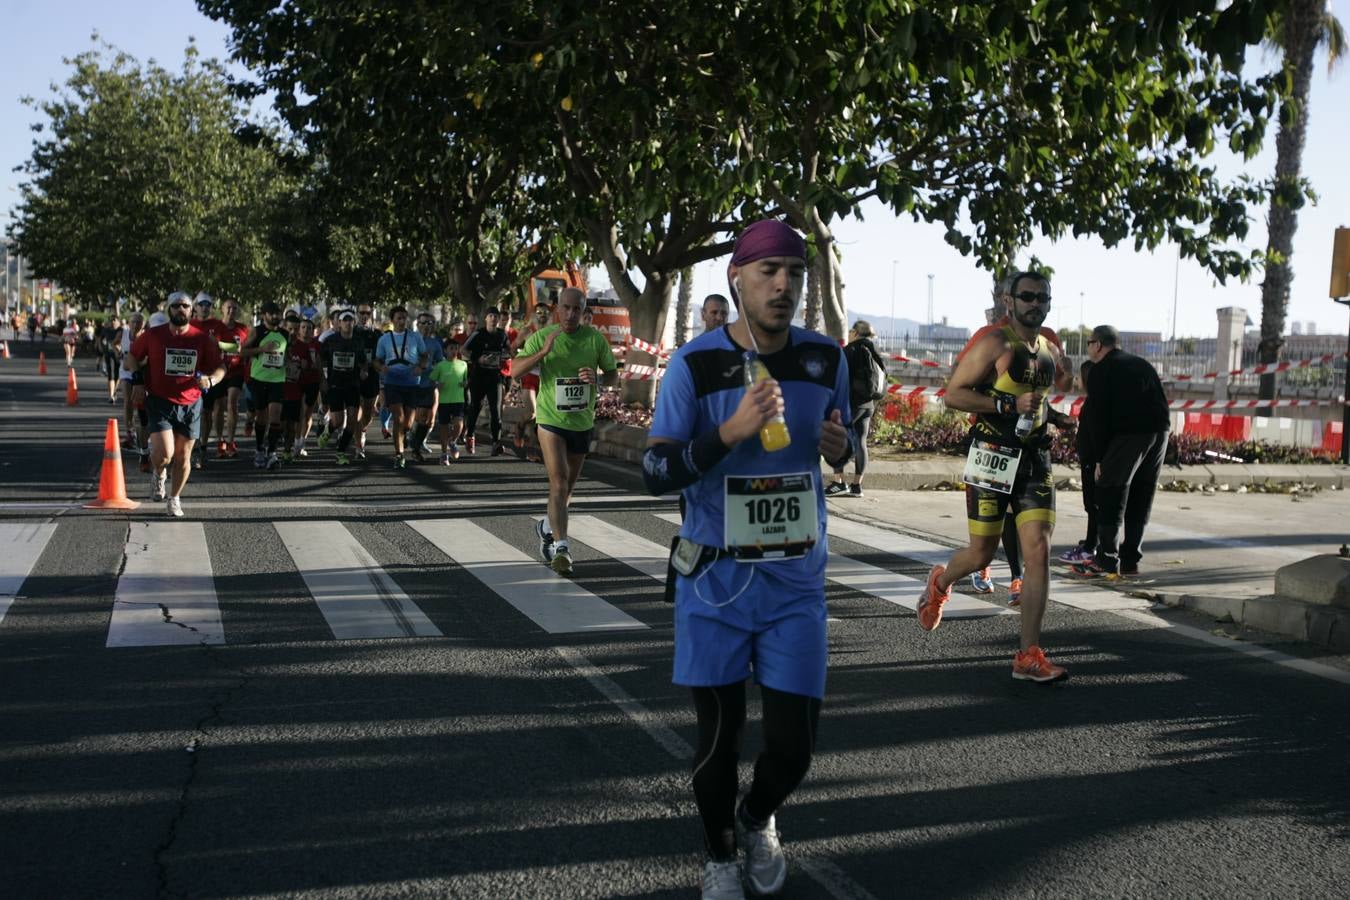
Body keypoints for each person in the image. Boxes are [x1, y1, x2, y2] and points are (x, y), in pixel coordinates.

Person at [641, 220, 851, 899]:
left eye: (795, 271)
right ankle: (721, 857)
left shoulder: (825, 359)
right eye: (770, 272)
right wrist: (727, 434)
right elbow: (654, 468)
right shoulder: (695, 364)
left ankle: (758, 818)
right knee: (719, 741)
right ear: (738, 279)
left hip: (795, 582)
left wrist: (842, 448)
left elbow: (852, 453)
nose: (784, 284)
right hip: (715, 582)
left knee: (794, 748)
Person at [915, 271, 1070, 683]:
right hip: (991, 456)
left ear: (1049, 302)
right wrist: (1007, 404)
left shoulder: (1049, 349)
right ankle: (941, 581)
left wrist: (1053, 417)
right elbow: (953, 394)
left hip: (1035, 458)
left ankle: (1028, 655)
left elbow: (1033, 405)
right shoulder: (994, 343)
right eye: (1027, 296)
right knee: (982, 554)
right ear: (1010, 301)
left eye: (1042, 297)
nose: (1034, 303)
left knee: (1038, 549)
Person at [514, 289, 617, 576]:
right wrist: (543, 352)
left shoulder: (595, 340)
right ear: (558, 308)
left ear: (584, 312)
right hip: (550, 420)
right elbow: (515, 371)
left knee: (567, 490)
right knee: (558, 483)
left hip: (581, 423)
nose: (570, 314)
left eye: (577, 309)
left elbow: (613, 375)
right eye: (566, 308)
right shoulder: (542, 336)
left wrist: (597, 377)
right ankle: (562, 548)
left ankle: (547, 526)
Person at [1071, 325, 1170, 578]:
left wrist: (1100, 458)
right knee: (1142, 491)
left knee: (1110, 491)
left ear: (1098, 345)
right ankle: (1130, 560)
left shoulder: (1102, 370)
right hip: (1159, 432)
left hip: (1129, 435)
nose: (1089, 349)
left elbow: (1098, 418)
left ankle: (1106, 558)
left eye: (1089, 343)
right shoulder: (1141, 364)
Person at [126, 292, 226, 516]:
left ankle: (174, 498)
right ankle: (159, 473)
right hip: (160, 401)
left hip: (191, 403)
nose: (181, 309)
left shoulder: (201, 338)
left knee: (183, 456)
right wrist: (138, 380)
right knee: (164, 454)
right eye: (176, 306)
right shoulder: (154, 335)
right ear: (169, 310)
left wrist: (211, 380)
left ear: (191, 310)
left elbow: (220, 368)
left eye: (185, 306)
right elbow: (131, 357)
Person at [826, 320, 887, 498]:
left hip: (851, 403)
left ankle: (838, 483)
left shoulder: (850, 351)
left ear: (854, 332)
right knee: (860, 442)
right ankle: (856, 486)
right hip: (868, 404)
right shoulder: (874, 351)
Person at [373, 305, 428, 469]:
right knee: (399, 417)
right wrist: (380, 367)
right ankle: (399, 454)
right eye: (399, 318)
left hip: (411, 382)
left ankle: (404, 440)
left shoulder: (415, 337)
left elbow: (424, 355)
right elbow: (377, 360)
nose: (402, 321)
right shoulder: (384, 339)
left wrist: (421, 367)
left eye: (405, 318)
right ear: (392, 320)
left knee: (408, 423)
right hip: (392, 382)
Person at [1059, 359, 1100, 566]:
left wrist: (1098, 461)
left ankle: (1091, 547)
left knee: (1093, 505)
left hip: (1092, 462)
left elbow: (1096, 434)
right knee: (1092, 505)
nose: (1076, 380)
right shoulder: (1095, 400)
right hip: (1090, 460)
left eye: (1079, 376)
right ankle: (1093, 541)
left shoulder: (1095, 404)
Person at [240, 301, 289, 469]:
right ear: (264, 316)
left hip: (278, 380)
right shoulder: (257, 331)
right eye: (271, 313)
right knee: (261, 418)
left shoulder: (285, 334)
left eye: (277, 313)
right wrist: (261, 350)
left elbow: (287, 355)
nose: (275, 316)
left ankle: (272, 453)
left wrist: (291, 366)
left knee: (275, 418)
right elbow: (242, 351)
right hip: (259, 379)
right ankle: (260, 448)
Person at [319, 309, 370, 465]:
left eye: (350, 320)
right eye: (344, 320)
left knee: (353, 421)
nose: (348, 323)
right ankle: (328, 430)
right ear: (339, 323)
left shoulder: (358, 341)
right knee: (338, 421)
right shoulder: (330, 341)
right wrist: (323, 380)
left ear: (353, 323)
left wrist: (364, 371)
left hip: (353, 385)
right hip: (335, 385)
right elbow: (320, 361)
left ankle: (340, 452)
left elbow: (364, 362)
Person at [462, 308, 513, 456]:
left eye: (495, 316)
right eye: (490, 316)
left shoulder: (502, 335)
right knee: (475, 407)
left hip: (494, 376)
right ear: (486, 318)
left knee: (496, 410)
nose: (493, 319)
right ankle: (470, 435)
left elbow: (509, 351)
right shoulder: (478, 334)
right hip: (478, 376)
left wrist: (507, 355)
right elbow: (463, 349)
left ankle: (496, 442)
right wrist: (478, 359)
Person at [205, 299, 250, 459]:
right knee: (218, 406)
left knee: (232, 403)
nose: (232, 311)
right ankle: (220, 440)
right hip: (218, 370)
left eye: (234, 308)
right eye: (228, 308)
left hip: (236, 371)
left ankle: (231, 441)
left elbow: (244, 349)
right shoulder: (216, 327)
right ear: (222, 309)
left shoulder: (243, 329)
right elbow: (214, 345)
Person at [511, 302, 553, 459]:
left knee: (541, 417)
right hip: (529, 376)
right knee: (532, 413)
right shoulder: (527, 331)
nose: (542, 315)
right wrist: (521, 364)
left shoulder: (553, 332)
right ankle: (520, 426)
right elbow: (513, 348)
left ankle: (532, 450)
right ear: (534, 315)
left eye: (545, 312)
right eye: (539, 312)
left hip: (546, 377)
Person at [409, 312, 445, 461]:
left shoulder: (435, 343)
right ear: (417, 325)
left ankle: (416, 448)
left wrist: (439, 379)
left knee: (425, 418)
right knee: (411, 418)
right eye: (423, 323)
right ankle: (410, 437)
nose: (426, 326)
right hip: (410, 383)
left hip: (427, 384)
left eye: (429, 323)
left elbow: (439, 363)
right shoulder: (410, 340)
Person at [429, 339, 469, 463]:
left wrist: (465, 383)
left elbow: (466, 380)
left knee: (459, 424)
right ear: (445, 350)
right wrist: (437, 384)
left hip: (458, 400)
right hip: (444, 401)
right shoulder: (440, 365)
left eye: (456, 348)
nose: (454, 351)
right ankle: (444, 454)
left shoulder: (463, 364)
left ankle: (452, 441)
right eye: (451, 348)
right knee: (444, 428)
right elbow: (431, 380)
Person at [353, 303, 382, 460]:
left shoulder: (377, 334)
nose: (364, 316)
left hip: (372, 376)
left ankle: (362, 430)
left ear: (371, 315)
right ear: (357, 314)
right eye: (361, 313)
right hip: (355, 376)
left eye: (367, 313)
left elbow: (383, 355)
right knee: (356, 410)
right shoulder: (351, 332)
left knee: (368, 412)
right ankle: (359, 446)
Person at [98, 316, 124, 404]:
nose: (113, 322)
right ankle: (111, 396)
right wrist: (102, 348)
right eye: (111, 320)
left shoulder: (121, 330)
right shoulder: (106, 330)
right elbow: (101, 339)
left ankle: (114, 391)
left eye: (114, 320)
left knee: (118, 375)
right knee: (111, 374)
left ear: (118, 321)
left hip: (119, 355)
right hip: (109, 354)